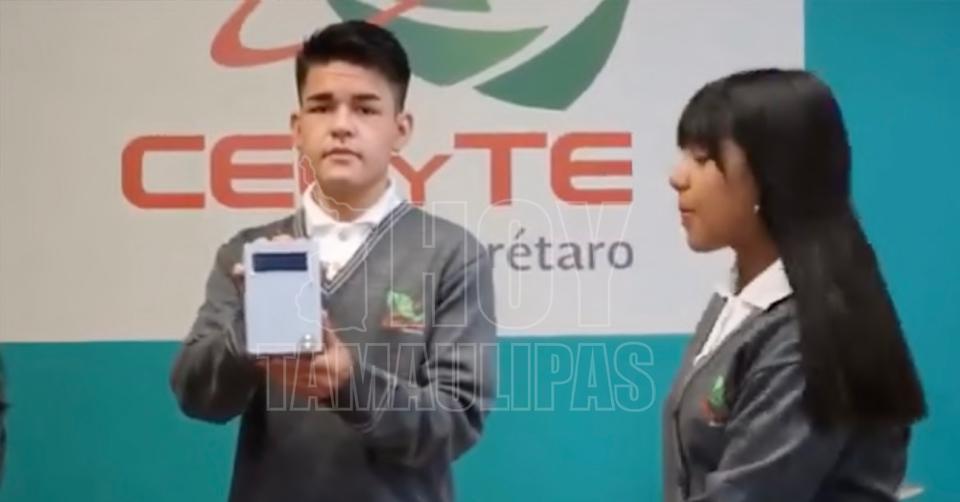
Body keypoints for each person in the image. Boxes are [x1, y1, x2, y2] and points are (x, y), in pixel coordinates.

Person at [170, 21, 497, 502]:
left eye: (365, 108)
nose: (342, 125)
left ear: (400, 129)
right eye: (322, 107)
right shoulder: (249, 253)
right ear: (297, 128)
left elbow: (457, 422)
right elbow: (197, 397)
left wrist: (349, 383)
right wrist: (248, 334)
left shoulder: (451, 254)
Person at [662, 68, 927, 501]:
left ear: (770, 173)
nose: (677, 176)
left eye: (703, 158)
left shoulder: (806, 338)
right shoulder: (739, 304)